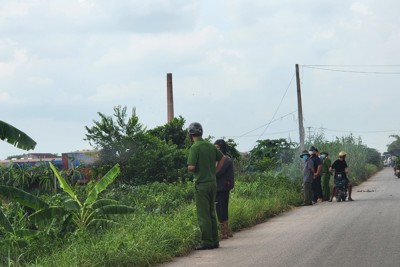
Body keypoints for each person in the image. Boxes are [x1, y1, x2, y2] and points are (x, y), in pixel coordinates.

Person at [187, 122, 225, 250]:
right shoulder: (210, 146)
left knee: (203, 214)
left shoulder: (195, 147)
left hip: (201, 184)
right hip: (212, 183)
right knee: (211, 212)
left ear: (191, 134)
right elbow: (222, 158)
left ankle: (207, 242)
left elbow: (191, 167)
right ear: (201, 132)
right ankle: (215, 241)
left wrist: (194, 169)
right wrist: (215, 171)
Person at [214, 139, 234, 239]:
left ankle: (224, 232)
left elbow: (218, 172)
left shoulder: (224, 159)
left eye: (217, 148)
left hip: (221, 188)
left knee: (220, 209)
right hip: (223, 187)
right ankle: (227, 231)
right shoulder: (226, 158)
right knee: (223, 209)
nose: (216, 150)